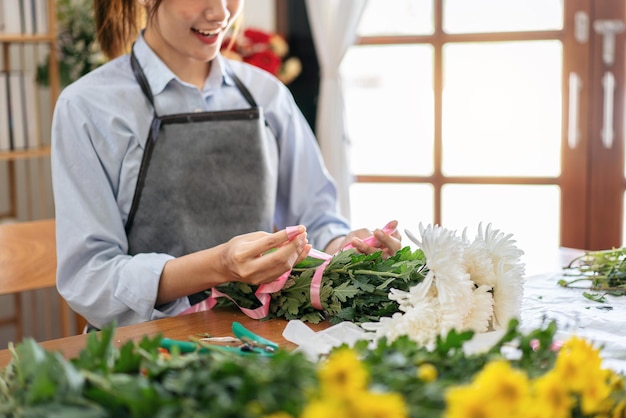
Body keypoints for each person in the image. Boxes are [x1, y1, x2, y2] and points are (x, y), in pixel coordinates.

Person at [51, 0, 401, 329]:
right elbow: (89, 276)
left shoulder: (266, 94)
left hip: (261, 338)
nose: (221, 13)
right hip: (148, 348)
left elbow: (317, 218)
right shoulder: (88, 106)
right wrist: (219, 267)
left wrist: (346, 248)